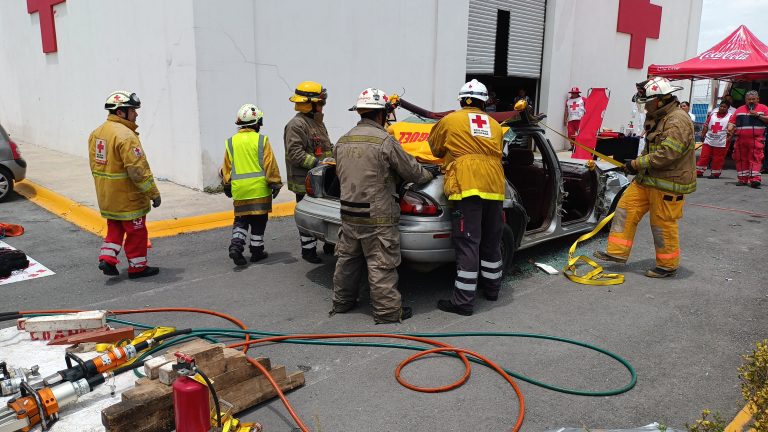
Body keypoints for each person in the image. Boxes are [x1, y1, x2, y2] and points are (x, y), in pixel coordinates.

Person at [331, 88, 434, 323]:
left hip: (348, 212)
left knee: (347, 259)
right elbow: (411, 171)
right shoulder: (385, 141)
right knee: (381, 264)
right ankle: (388, 312)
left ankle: (342, 302)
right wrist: (427, 175)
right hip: (377, 216)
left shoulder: (343, 140)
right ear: (381, 114)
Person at [594, 77, 696, 278]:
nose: (645, 107)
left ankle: (667, 265)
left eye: (647, 102)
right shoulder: (659, 116)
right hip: (647, 179)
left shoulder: (677, 120)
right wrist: (637, 166)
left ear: (659, 100)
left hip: (669, 183)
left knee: (662, 224)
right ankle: (616, 253)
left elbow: (668, 154)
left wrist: (636, 164)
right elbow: (651, 149)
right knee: (625, 209)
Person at [428, 79, 506, 316]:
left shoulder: (450, 120)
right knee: (492, 240)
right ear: (484, 102)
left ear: (462, 100)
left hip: (467, 183)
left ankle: (463, 302)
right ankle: (492, 290)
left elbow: (435, 148)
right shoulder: (495, 124)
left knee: (469, 243)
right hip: (494, 183)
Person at [88, 90, 161, 279]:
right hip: (128, 198)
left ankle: (107, 258)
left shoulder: (96, 133)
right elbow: (138, 170)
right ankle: (138, 268)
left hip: (107, 197)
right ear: (121, 112)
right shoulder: (126, 137)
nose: (136, 114)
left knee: (115, 228)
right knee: (136, 232)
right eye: (133, 110)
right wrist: (153, 193)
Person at [220, 104, 283, 266]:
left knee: (241, 219)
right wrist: (275, 183)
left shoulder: (231, 142)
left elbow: (226, 167)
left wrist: (227, 185)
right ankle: (256, 251)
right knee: (259, 220)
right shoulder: (262, 140)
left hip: (240, 190)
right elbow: (270, 164)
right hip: (260, 189)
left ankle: (236, 246)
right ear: (256, 122)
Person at [284, 81, 334, 263]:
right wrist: (319, 163)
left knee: (325, 214)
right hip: (305, 180)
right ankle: (308, 251)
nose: (322, 106)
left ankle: (330, 244)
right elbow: (295, 154)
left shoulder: (316, 123)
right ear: (310, 103)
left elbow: (326, 146)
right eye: (320, 102)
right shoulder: (297, 125)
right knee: (309, 217)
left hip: (323, 178)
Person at [727, 90, 768, 188]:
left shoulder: (764, 108)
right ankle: (742, 179)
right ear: (745, 100)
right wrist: (729, 129)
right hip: (741, 140)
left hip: (756, 140)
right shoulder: (739, 109)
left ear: (758, 99)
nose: (751, 101)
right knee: (740, 159)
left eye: (753, 99)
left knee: (755, 158)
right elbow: (732, 122)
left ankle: (755, 180)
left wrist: (758, 115)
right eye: (749, 99)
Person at [696, 101, 732, 179]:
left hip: (721, 141)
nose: (722, 108)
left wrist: (729, 138)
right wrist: (702, 134)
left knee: (718, 158)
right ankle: (699, 171)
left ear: (728, 108)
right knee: (704, 156)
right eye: (721, 106)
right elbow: (706, 125)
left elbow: (731, 129)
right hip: (709, 139)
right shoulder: (712, 115)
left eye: (724, 107)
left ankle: (715, 173)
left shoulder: (730, 117)